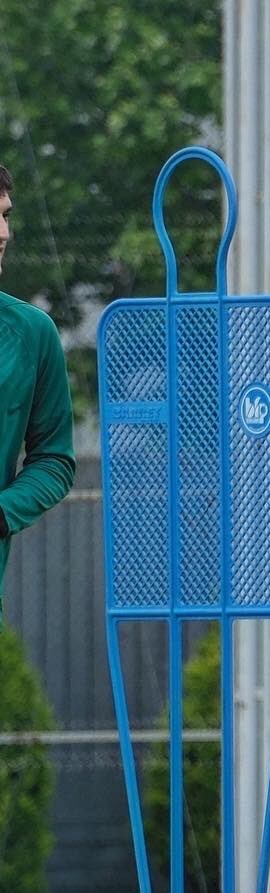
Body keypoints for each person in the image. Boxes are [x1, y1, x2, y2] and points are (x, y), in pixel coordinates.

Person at [0, 164, 75, 622]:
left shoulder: (32, 333)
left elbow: (54, 459)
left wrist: (4, 511)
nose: (2, 232)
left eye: (5, 215)